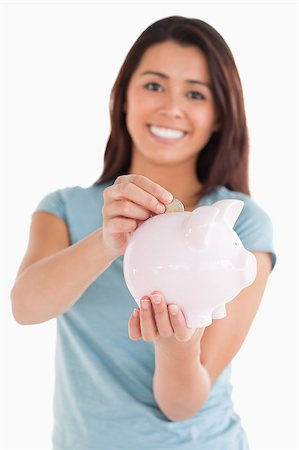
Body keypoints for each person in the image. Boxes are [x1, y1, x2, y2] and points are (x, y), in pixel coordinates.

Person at [10, 16, 276, 450]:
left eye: (195, 93)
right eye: (154, 85)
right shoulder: (63, 208)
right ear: (123, 99)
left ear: (218, 116)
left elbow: (183, 405)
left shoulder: (240, 225)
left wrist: (176, 346)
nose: (172, 107)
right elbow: (26, 308)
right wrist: (106, 241)